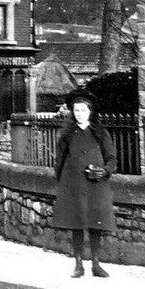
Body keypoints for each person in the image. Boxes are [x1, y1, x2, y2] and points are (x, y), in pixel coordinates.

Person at [49, 91, 117, 277]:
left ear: (90, 111)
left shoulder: (100, 133)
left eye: (83, 110)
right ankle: (78, 264)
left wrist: (104, 171)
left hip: (95, 184)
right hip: (74, 184)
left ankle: (96, 263)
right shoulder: (67, 134)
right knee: (76, 223)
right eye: (76, 110)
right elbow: (60, 160)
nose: (79, 113)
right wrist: (62, 181)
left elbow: (111, 159)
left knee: (96, 222)